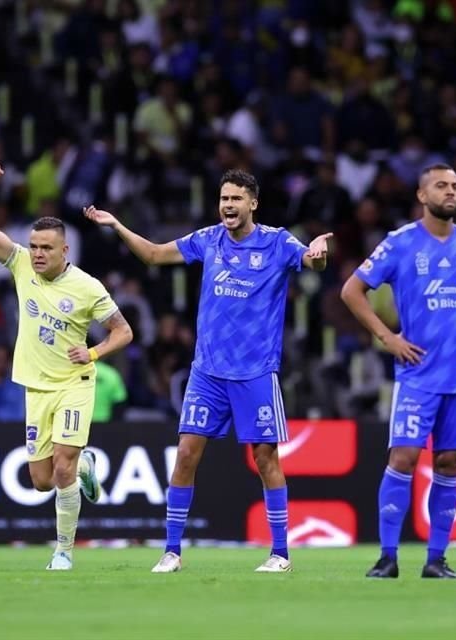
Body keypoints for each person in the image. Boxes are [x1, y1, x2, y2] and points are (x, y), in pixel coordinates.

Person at [84, 169, 332, 573]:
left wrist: (319, 254)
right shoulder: (208, 240)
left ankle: (281, 554)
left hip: (255, 373)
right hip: (208, 373)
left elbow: (311, 261)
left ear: (253, 203)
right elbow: (153, 254)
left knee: (266, 458)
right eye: (223, 199)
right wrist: (116, 225)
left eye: (236, 199)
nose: (228, 206)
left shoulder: (277, 241)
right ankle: (172, 550)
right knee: (185, 454)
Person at [0, 161, 134, 571]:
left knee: (60, 465)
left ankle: (63, 550)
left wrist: (94, 353)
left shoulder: (87, 287)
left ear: (65, 250)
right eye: (35, 245)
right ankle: (85, 465)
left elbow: (123, 332)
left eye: (47, 247)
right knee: (43, 480)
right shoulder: (21, 264)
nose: (38, 253)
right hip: (35, 387)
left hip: (74, 383)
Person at [340, 163, 456, 579]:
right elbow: (351, 290)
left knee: (448, 463)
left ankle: (436, 560)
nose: (451, 192)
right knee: (404, 457)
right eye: (441, 186)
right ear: (422, 195)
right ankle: (388, 556)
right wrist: (386, 337)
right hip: (417, 377)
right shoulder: (400, 243)